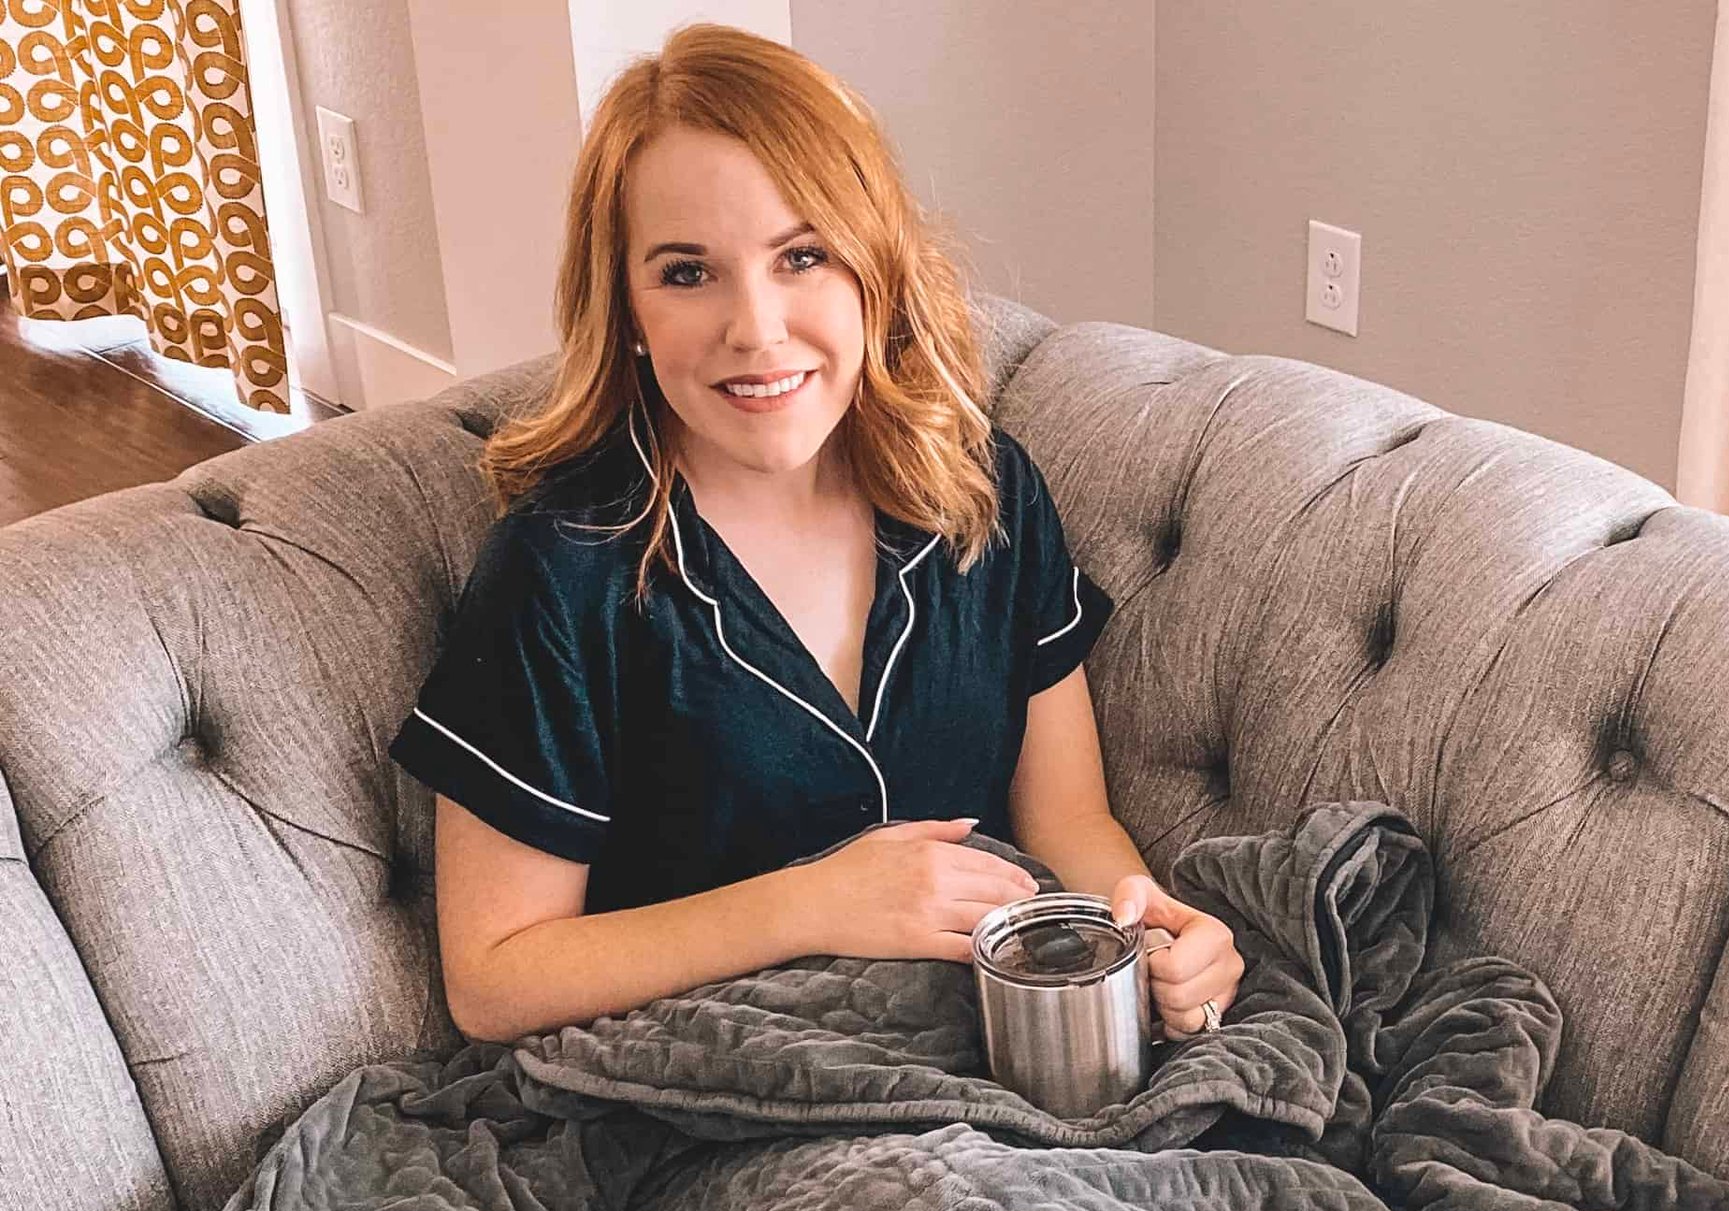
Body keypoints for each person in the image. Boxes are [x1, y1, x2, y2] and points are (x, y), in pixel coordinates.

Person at [389, 23, 1242, 1047]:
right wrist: (806, 904)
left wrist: (1155, 932)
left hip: (986, 1048)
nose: (756, 327)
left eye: (802, 255)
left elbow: (1066, 825)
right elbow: (494, 977)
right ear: (625, 309)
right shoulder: (562, 569)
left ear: (873, 271)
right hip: (703, 1082)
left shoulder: (987, 493)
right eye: (686, 272)